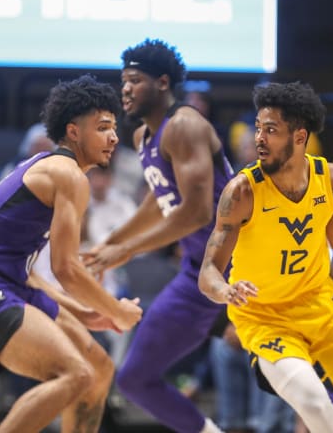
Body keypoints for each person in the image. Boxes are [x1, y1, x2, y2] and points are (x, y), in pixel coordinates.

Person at [0, 74, 142, 433]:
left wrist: (86, 313)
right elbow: (66, 269)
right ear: (74, 132)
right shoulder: (68, 175)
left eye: (114, 127)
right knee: (75, 373)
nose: (114, 137)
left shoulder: (48, 168)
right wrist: (117, 309)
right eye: (103, 127)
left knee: (98, 370)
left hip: (8, 281)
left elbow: (29, 272)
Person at [198, 81, 333, 433]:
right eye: (258, 128)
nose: (258, 137)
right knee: (315, 404)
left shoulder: (329, 179)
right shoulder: (241, 191)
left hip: (322, 306)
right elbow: (209, 270)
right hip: (264, 316)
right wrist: (224, 290)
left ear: (299, 137)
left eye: (270, 130)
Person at [83, 39, 234, 433]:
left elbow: (197, 211)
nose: (126, 89)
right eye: (123, 81)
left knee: (290, 365)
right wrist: (111, 242)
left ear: (162, 82)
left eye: (135, 80)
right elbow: (158, 200)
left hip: (246, 264)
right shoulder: (143, 139)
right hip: (198, 273)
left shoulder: (185, 125)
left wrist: (127, 250)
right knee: (135, 377)